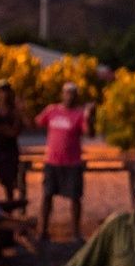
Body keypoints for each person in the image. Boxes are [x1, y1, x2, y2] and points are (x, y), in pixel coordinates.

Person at [34, 81, 95, 241]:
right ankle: (42, 230)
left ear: (76, 96)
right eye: (66, 93)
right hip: (52, 162)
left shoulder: (80, 113)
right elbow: (37, 122)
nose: (69, 96)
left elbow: (89, 133)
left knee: (75, 198)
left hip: (72, 163)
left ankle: (76, 232)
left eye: (72, 93)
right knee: (47, 195)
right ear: (62, 94)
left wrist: (89, 116)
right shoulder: (52, 110)